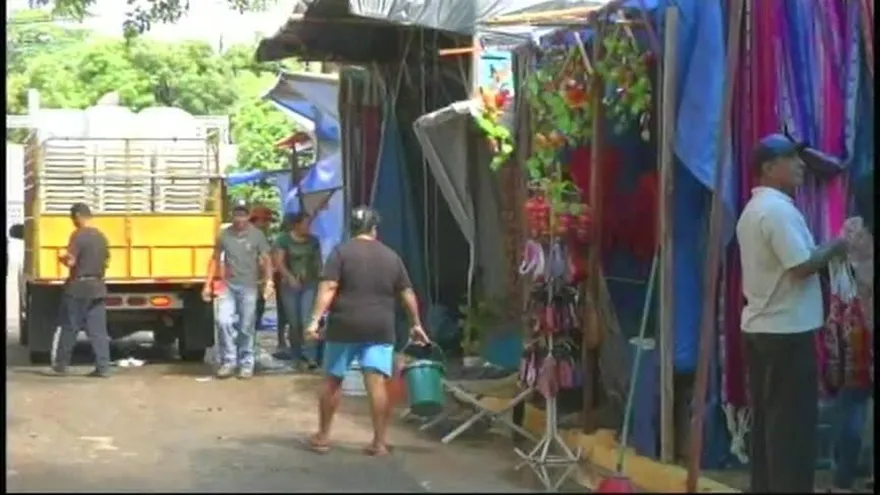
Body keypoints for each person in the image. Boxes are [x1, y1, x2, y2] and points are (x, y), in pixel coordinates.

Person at [736, 134, 849, 493]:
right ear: (769, 168)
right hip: (785, 334)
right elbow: (801, 265)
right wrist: (839, 245)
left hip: (765, 329)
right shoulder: (776, 211)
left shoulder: (756, 210)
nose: (801, 165)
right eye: (791, 159)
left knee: (770, 426)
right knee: (791, 431)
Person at [304, 206, 429, 456]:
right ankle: (379, 442)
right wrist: (416, 323)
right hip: (380, 326)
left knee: (333, 380)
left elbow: (329, 287)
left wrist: (314, 321)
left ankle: (323, 437)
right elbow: (407, 292)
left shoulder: (340, 252)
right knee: (376, 382)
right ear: (374, 229)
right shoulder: (391, 256)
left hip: (344, 325)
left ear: (351, 228)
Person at [827, 173, 875, 493]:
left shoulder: (850, 230)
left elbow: (836, 277)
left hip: (856, 328)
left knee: (852, 404)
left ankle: (842, 481)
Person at [202, 203, 274, 379]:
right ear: (232, 216)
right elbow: (215, 258)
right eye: (237, 215)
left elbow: (266, 259)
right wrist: (207, 285)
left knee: (246, 326)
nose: (240, 219)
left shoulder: (257, 235)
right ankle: (228, 361)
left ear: (248, 217)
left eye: (243, 215)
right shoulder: (224, 235)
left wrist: (269, 281)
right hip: (228, 286)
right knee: (223, 321)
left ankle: (246, 363)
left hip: (249, 287)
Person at [53, 203, 112, 378]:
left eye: (73, 218)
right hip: (98, 286)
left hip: (79, 288)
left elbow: (71, 261)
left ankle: (61, 365)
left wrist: (62, 259)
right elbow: (107, 261)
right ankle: (103, 367)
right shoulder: (101, 237)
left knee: (70, 326)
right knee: (98, 331)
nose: (73, 221)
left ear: (78, 216)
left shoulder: (78, 235)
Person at [273, 212, 322, 366]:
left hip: (309, 284)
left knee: (307, 318)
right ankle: (296, 353)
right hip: (289, 285)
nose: (308, 227)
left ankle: (310, 355)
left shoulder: (314, 241)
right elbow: (279, 263)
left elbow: (318, 263)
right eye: (305, 224)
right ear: (296, 225)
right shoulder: (283, 240)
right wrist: (290, 277)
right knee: (294, 321)